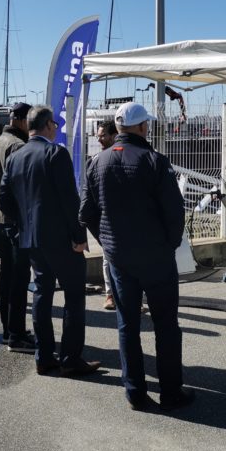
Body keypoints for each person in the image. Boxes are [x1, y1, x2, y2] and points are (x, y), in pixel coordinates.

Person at [79, 102, 194, 411]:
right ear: (143, 127)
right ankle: (171, 392)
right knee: (166, 324)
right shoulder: (154, 161)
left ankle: (134, 392)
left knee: (127, 325)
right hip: (156, 256)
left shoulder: (96, 162)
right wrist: (168, 245)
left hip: (119, 257)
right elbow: (174, 213)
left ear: (117, 128)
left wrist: (107, 242)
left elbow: (87, 212)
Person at [0, 105, 100, 376]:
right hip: (61, 239)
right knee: (74, 297)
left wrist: (24, 221)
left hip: (31, 238)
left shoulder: (15, 157)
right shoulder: (56, 153)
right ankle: (70, 358)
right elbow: (70, 200)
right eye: (54, 124)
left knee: (42, 294)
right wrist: (79, 237)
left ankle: (43, 356)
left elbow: (3, 200)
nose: (56, 128)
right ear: (47, 125)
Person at [0, 102, 35, 352]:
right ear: (21, 120)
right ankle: (16, 334)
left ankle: (9, 329)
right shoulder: (18, 145)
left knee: (6, 276)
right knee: (18, 278)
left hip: (0, 216)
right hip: (16, 220)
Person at [95, 120, 118, 310]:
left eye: (103, 135)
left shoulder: (125, 156)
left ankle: (133, 297)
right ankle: (110, 295)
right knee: (107, 259)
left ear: (114, 136)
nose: (99, 139)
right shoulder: (96, 160)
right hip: (106, 220)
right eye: (98, 135)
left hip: (127, 219)